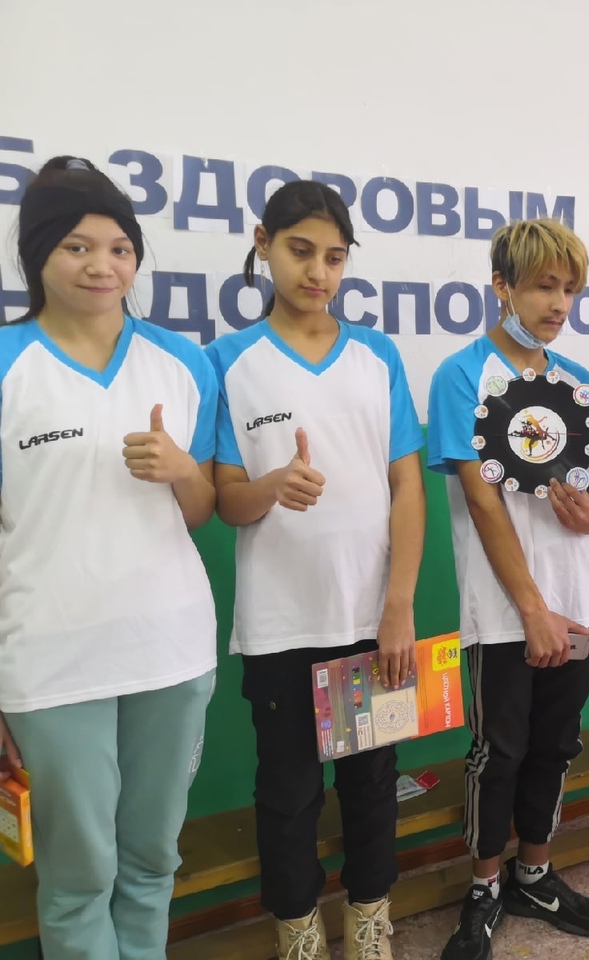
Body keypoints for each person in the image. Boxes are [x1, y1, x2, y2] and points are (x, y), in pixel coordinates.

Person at [0, 156, 218, 958]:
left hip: (170, 651)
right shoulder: (9, 364)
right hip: (50, 662)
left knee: (151, 860)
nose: (103, 266)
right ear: (39, 256)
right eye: (78, 247)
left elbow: (201, 510)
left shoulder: (184, 363)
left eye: (120, 248)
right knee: (78, 874)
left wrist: (182, 469)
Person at [207, 180, 426, 960]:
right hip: (280, 625)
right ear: (263, 243)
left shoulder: (377, 355)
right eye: (301, 251)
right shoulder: (227, 362)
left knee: (373, 783)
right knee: (289, 791)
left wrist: (398, 606)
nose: (318, 272)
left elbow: (407, 486)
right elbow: (226, 502)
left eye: (335, 257)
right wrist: (272, 487)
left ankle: (369, 919)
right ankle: (298, 930)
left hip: (371, 619)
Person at [426, 219, 589, 960]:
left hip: (584, 594)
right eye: (543, 286)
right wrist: (532, 608)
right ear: (501, 286)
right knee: (497, 752)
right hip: (506, 611)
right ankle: (483, 888)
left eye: (569, 289)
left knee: (556, 745)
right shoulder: (461, 376)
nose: (558, 303)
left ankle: (534, 875)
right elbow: (482, 502)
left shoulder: (576, 380)